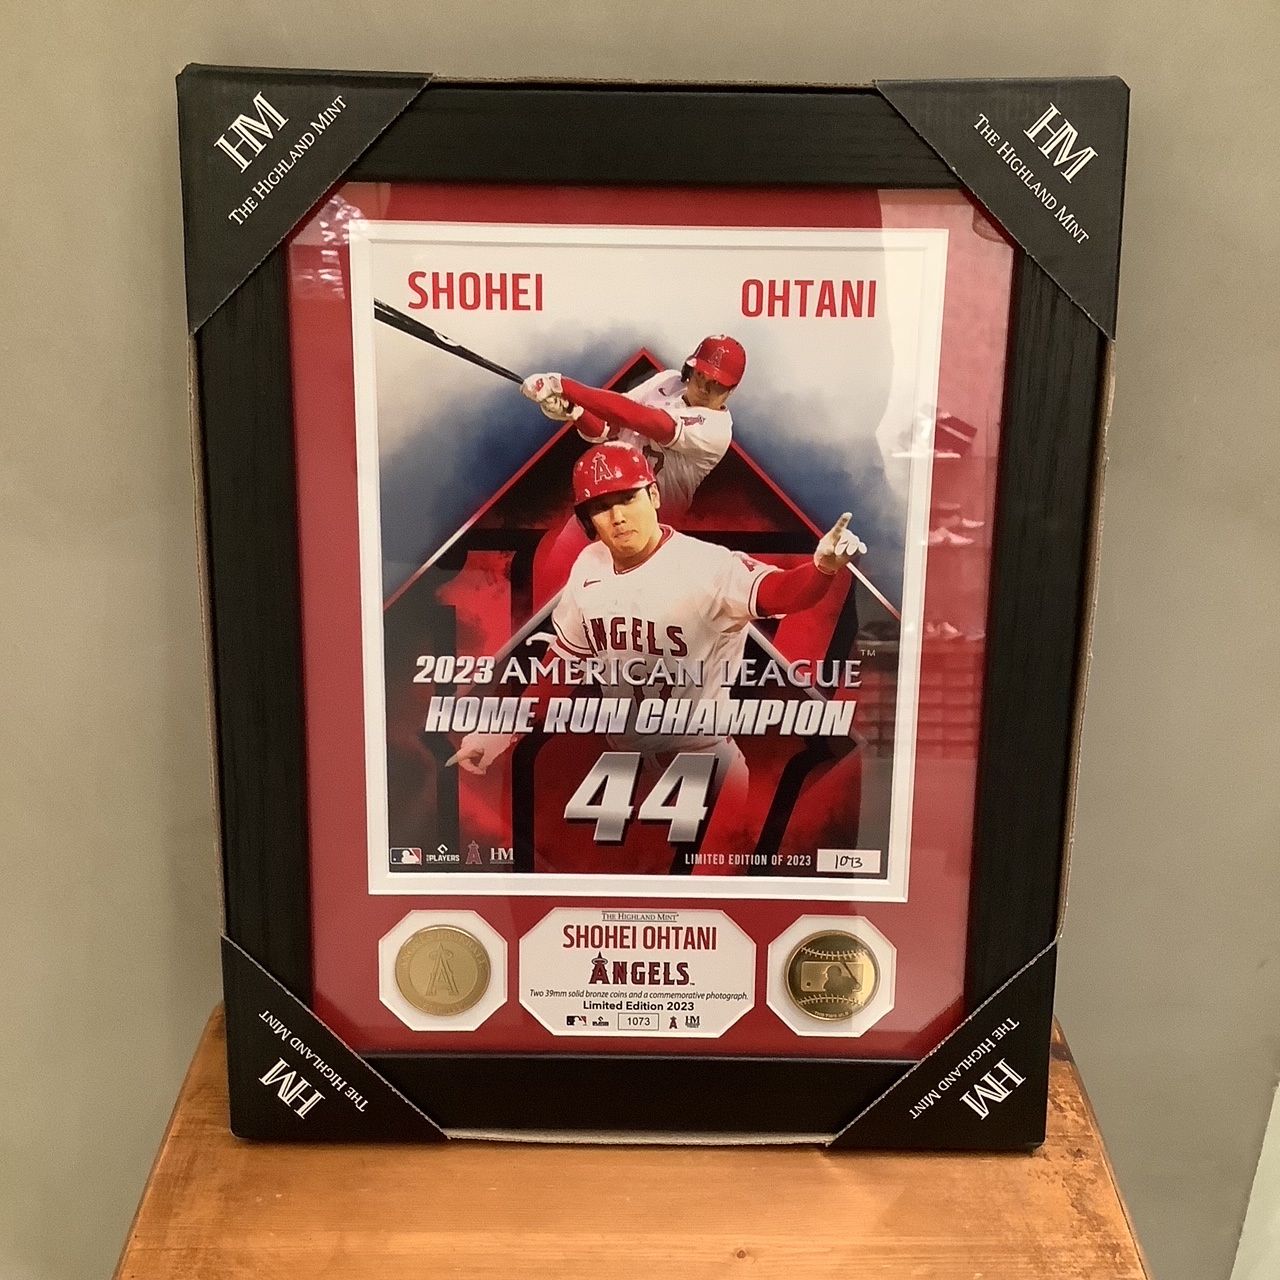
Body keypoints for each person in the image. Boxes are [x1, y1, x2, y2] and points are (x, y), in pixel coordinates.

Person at [447, 442, 864, 797]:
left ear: (654, 495)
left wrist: (822, 569)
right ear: (588, 520)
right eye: (601, 507)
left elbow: (782, 592)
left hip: (704, 763)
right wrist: (499, 734)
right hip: (626, 766)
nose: (617, 516)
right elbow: (565, 663)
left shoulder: (707, 566)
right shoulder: (589, 564)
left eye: (627, 498)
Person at [520, 334, 746, 522]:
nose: (704, 387)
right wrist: (575, 411)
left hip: (657, 522)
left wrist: (562, 385)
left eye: (717, 383)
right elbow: (607, 427)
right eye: (701, 375)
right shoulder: (668, 380)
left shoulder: (717, 430)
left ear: (732, 389)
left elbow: (639, 418)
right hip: (609, 502)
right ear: (690, 369)